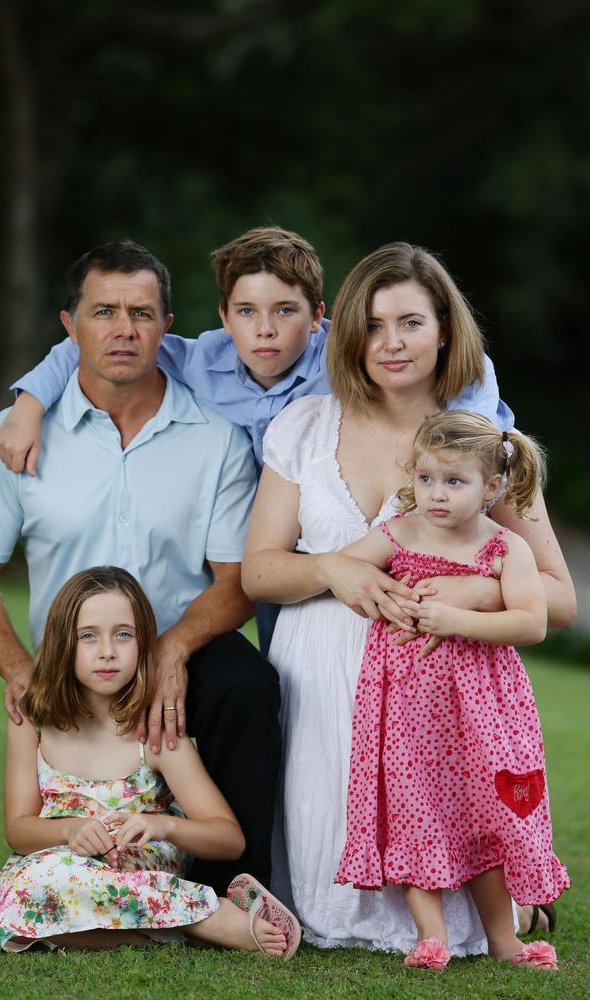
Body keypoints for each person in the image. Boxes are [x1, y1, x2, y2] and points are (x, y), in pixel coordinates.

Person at [241, 243, 576, 954]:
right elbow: (259, 574)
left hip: (441, 703)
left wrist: (472, 589)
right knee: (328, 901)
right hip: (321, 695)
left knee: (455, 855)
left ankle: (506, 912)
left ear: (447, 330)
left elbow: (559, 600)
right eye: (373, 324)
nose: (390, 343)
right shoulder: (302, 427)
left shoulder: (490, 447)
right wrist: (334, 569)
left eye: (412, 323)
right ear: (347, 334)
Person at [0, 227, 513, 656]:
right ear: (223, 318)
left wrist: (469, 441)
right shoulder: (199, 359)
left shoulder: (351, 354)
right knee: (278, 657)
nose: (264, 331)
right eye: (246, 312)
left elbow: (469, 371)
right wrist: (29, 404)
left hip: (347, 520)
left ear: (319, 318)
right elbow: (95, 343)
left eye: (285, 311)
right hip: (255, 533)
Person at [0, 240, 280, 896]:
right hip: (75, 657)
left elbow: (236, 580)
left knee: (249, 686)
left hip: (185, 646)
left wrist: (172, 652)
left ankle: (233, 889)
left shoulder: (215, 438)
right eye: (104, 312)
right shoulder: (16, 433)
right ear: (69, 327)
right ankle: (87, 862)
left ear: (168, 327)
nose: (123, 330)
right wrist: (23, 673)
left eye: (142, 314)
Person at [333, 412, 568, 971]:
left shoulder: (507, 547)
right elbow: (345, 567)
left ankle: (503, 939)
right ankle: (429, 937)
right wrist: (387, 591)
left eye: (455, 482)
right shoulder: (400, 531)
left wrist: (453, 616)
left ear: (492, 487)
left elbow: (531, 623)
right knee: (417, 810)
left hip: (484, 707)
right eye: (427, 479)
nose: (436, 495)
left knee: (488, 814)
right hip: (407, 704)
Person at [0, 566, 300, 957]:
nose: (107, 651)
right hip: (60, 866)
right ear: (61, 643)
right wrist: (69, 831)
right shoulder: (33, 720)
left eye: (123, 634)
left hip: (138, 871)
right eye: (88, 636)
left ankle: (180, 913)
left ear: (145, 644)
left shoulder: (154, 731)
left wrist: (162, 825)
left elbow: (228, 839)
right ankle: (193, 921)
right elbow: (19, 831)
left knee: (35, 891)